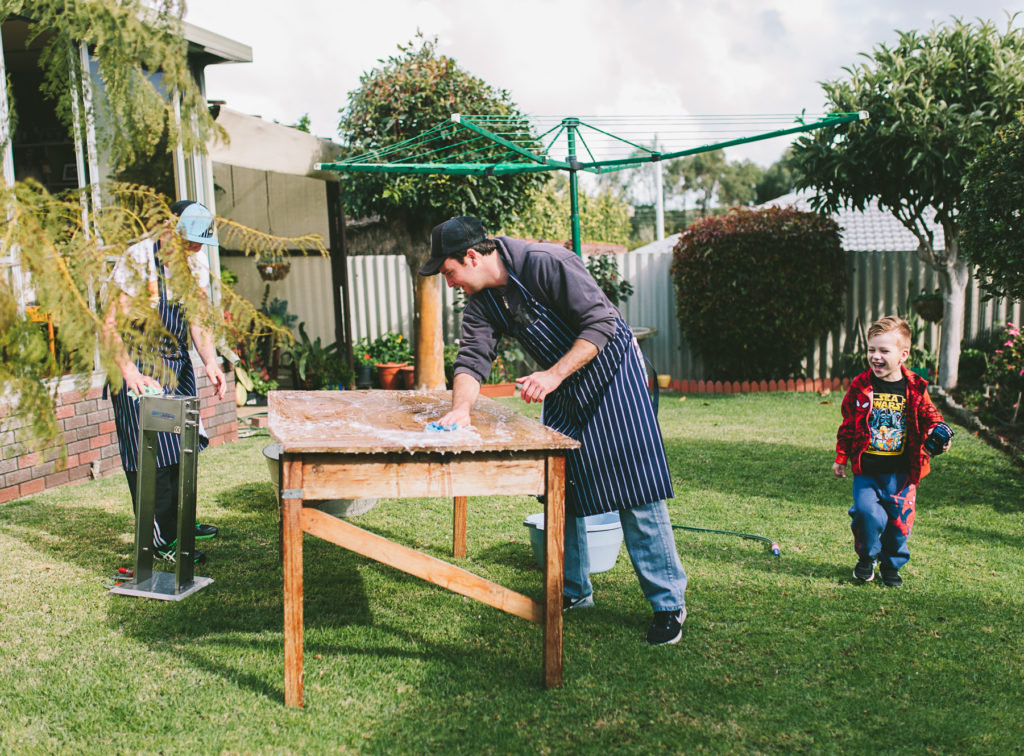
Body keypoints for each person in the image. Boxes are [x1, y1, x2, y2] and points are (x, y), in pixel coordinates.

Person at [423, 216, 688, 645]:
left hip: (614, 372)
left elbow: (601, 324)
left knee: (636, 488)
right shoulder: (480, 302)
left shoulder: (546, 263)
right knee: (560, 486)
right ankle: (573, 591)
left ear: (471, 257)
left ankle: (668, 603)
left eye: (449, 272)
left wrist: (553, 375)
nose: (449, 282)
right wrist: (461, 410)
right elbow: (472, 360)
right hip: (564, 387)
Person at [103, 200, 227, 564]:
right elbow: (109, 325)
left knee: (181, 449)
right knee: (151, 455)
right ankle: (160, 543)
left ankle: (179, 525)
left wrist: (210, 361)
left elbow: (197, 319)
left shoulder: (194, 263)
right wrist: (130, 374)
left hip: (174, 362)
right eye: (190, 242)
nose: (196, 249)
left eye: (199, 243)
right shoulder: (138, 260)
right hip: (136, 364)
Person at [832, 316, 952, 587]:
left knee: (899, 526)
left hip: (902, 474)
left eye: (884, 351)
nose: (875, 356)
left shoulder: (915, 388)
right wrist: (841, 457)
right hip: (867, 472)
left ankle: (891, 564)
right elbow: (848, 424)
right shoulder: (860, 387)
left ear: (903, 355)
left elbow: (932, 418)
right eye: (871, 349)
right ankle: (866, 558)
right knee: (866, 514)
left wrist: (939, 435)